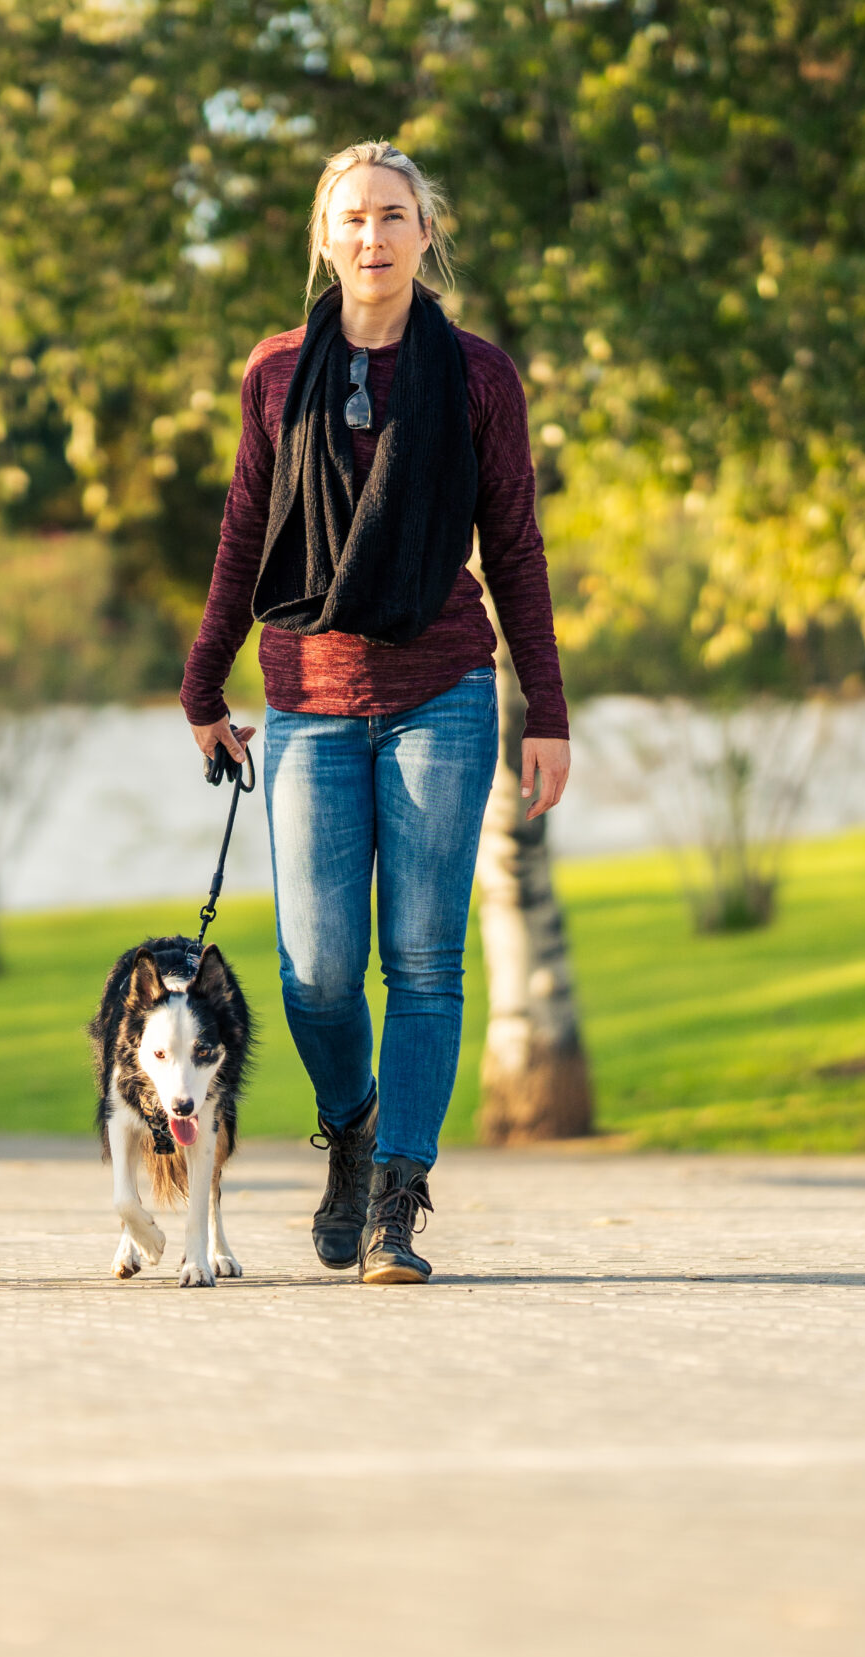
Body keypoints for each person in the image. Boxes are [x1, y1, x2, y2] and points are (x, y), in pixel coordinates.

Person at [181, 140, 571, 1285]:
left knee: (424, 962)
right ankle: (350, 1128)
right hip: (306, 691)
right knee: (313, 969)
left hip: (442, 689)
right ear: (324, 236)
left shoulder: (480, 377)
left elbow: (514, 545)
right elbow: (244, 532)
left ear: (425, 232)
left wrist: (543, 705)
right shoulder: (274, 371)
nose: (373, 237)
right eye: (353, 218)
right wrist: (203, 684)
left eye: (394, 217)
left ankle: (398, 1196)